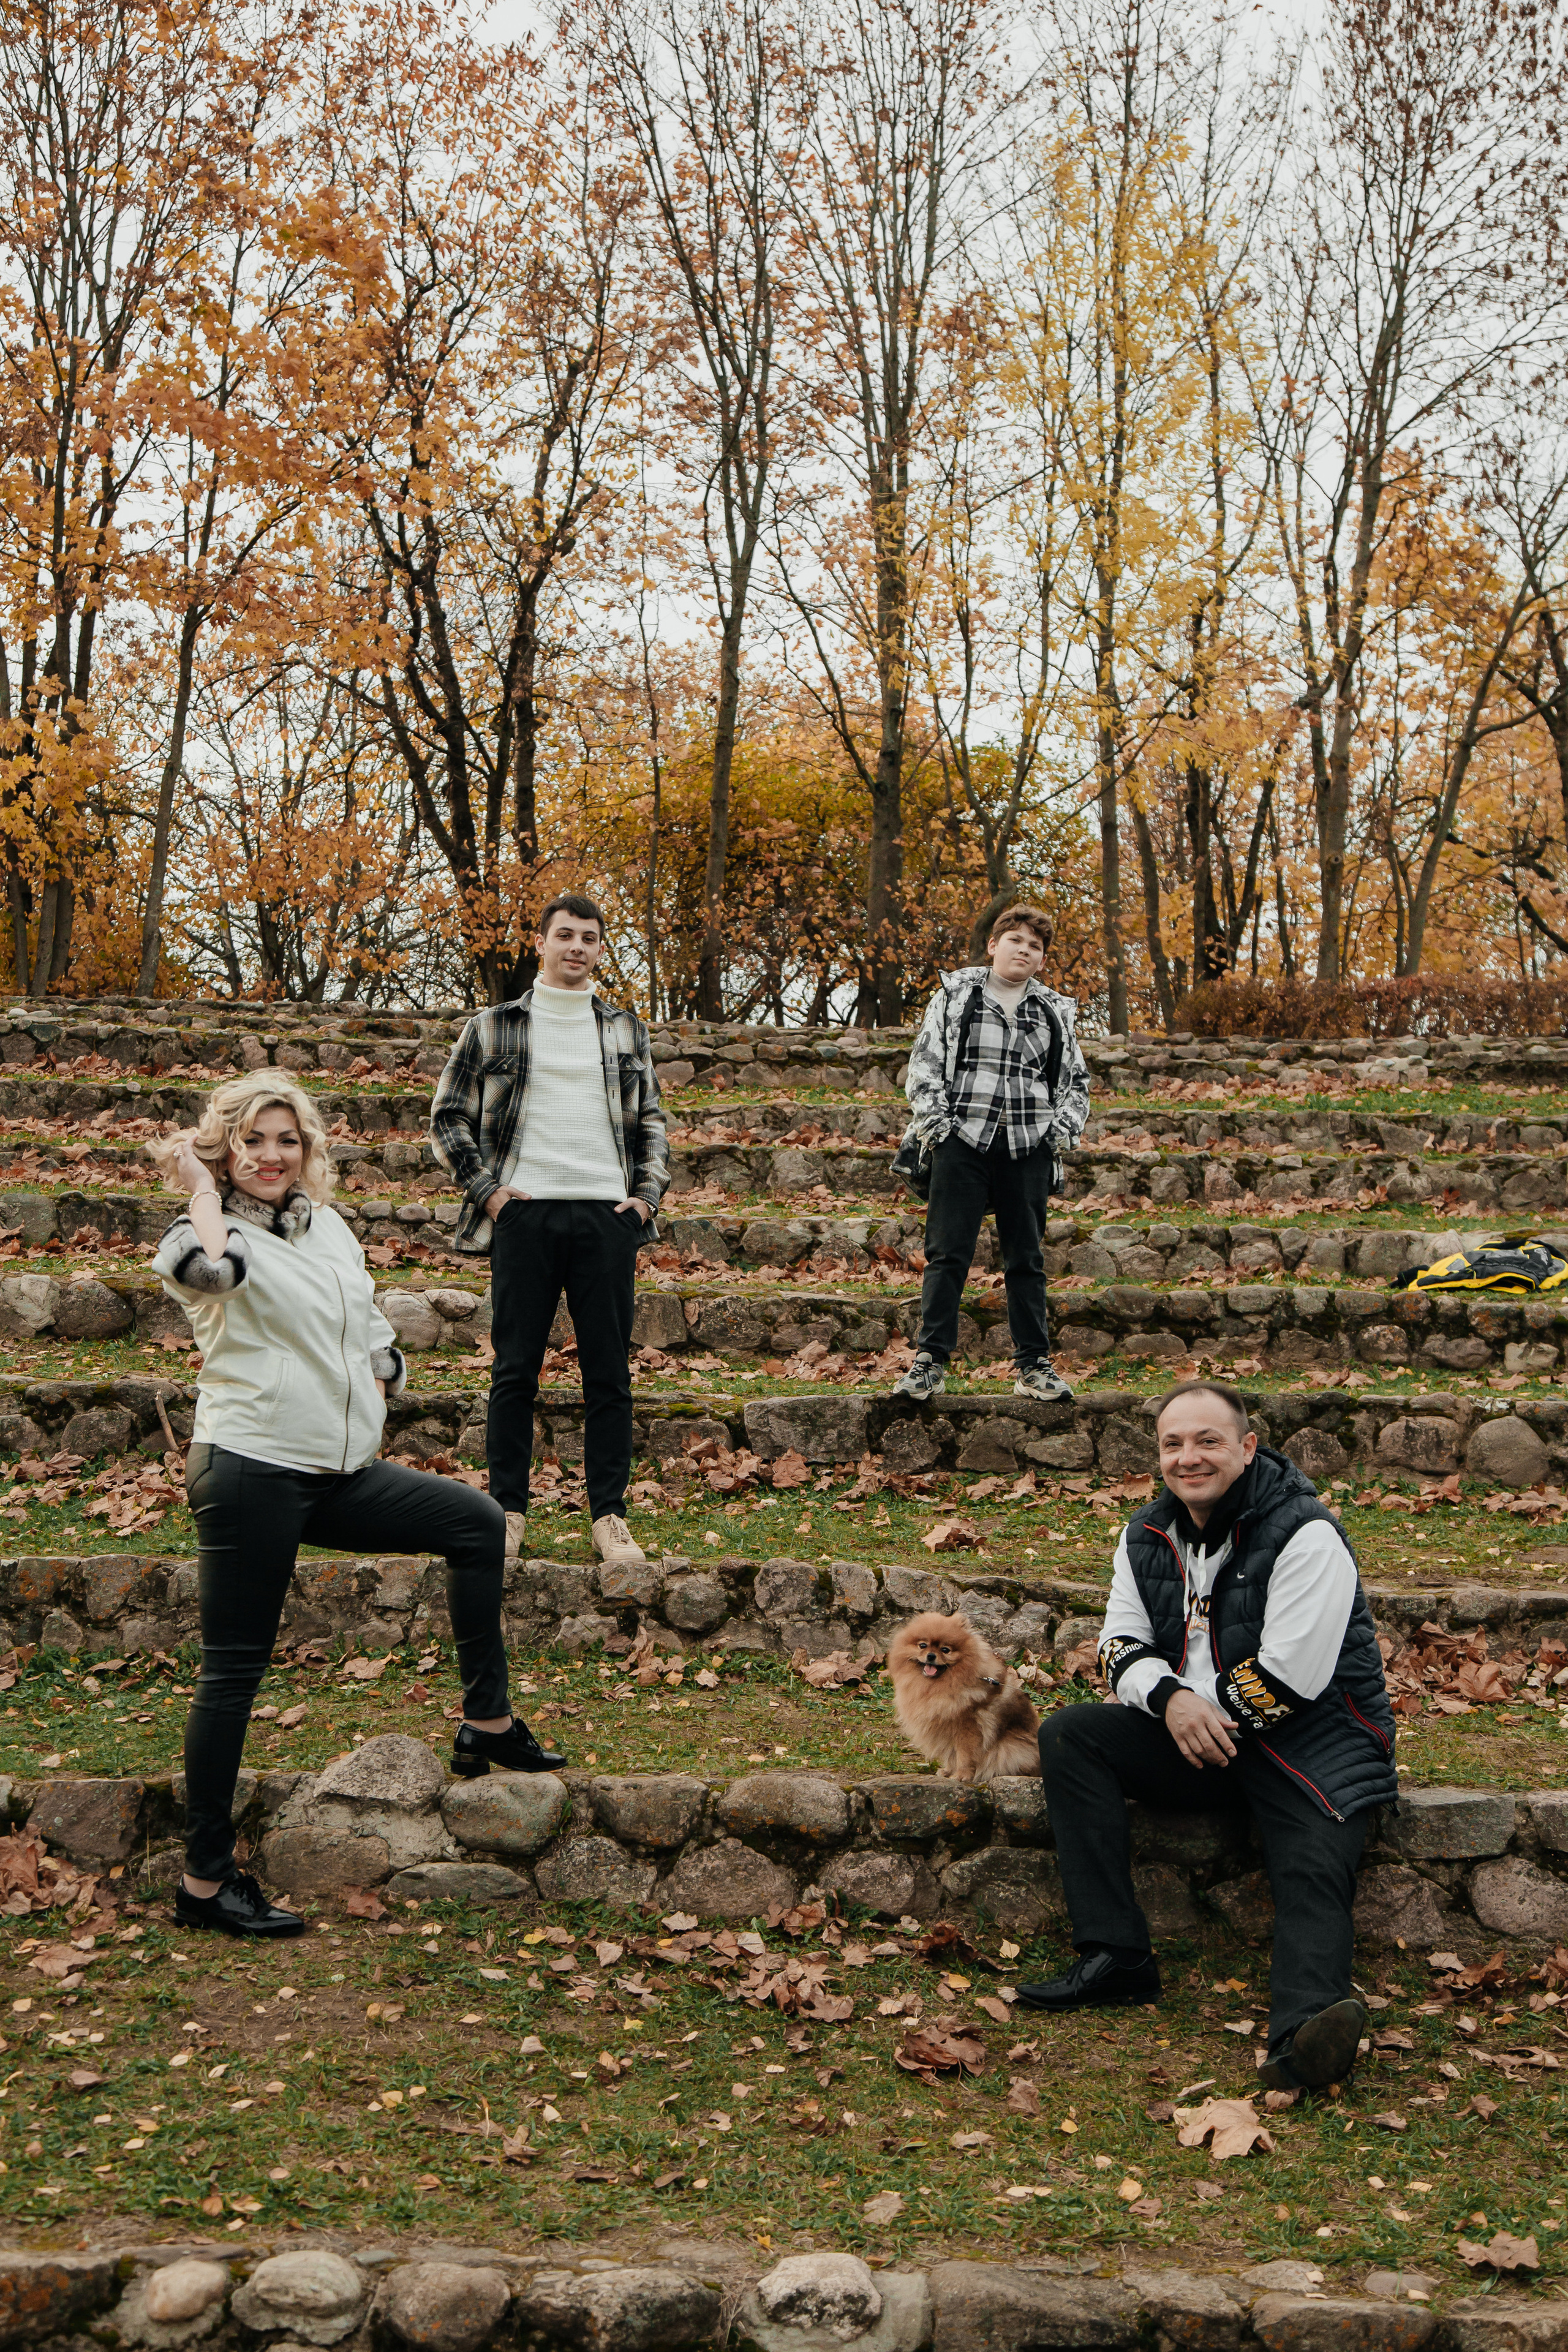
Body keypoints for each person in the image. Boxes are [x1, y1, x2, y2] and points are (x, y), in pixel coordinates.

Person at [149, 1078, 565, 1940]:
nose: (271, 1156)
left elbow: (366, 1311)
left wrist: (383, 1368)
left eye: (287, 1139)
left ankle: (486, 1721)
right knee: (234, 1672)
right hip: (251, 1468)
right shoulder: (198, 1233)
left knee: (475, 1523)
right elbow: (217, 1274)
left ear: (307, 1149)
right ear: (222, 1148)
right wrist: (196, 1188)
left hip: (336, 1471)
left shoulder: (323, 1224)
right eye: (252, 1141)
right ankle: (203, 1883)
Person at [1018, 1381, 1398, 2094]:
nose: (1188, 1458)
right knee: (1072, 1735)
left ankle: (1305, 2032)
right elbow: (1118, 1644)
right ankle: (1116, 1959)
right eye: (1172, 1444)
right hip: (1193, 1732)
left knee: (1311, 1864)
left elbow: (1292, 1677)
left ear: (1247, 1448)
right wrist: (1169, 1702)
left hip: (1309, 1741)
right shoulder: (1145, 1534)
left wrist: (1194, 1710)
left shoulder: (1306, 1533)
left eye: (1207, 1441)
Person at [430, 892, 669, 1572]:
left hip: (606, 1216)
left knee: (609, 1375)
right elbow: (448, 1116)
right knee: (514, 1370)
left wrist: (646, 1199)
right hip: (525, 1214)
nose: (577, 947)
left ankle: (609, 1520)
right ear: (540, 943)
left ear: (599, 949)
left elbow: (650, 1119)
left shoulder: (625, 1028)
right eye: (564, 935)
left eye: (589, 938)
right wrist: (491, 1194)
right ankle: (507, 1512)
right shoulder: (493, 1026)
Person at [894, 903, 1088, 1404]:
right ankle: (929, 1363)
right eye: (1016, 940)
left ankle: (1033, 1367)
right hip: (963, 1142)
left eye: (1035, 946)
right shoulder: (956, 997)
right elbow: (925, 1064)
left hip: (1028, 1146)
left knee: (1026, 1259)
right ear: (993, 945)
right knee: (947, 1255)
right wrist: (939, 1128)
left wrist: (1059, 1133)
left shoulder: (1052, 1010)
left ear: (1042, 960)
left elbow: (1075, 1082)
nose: (1024, 950)